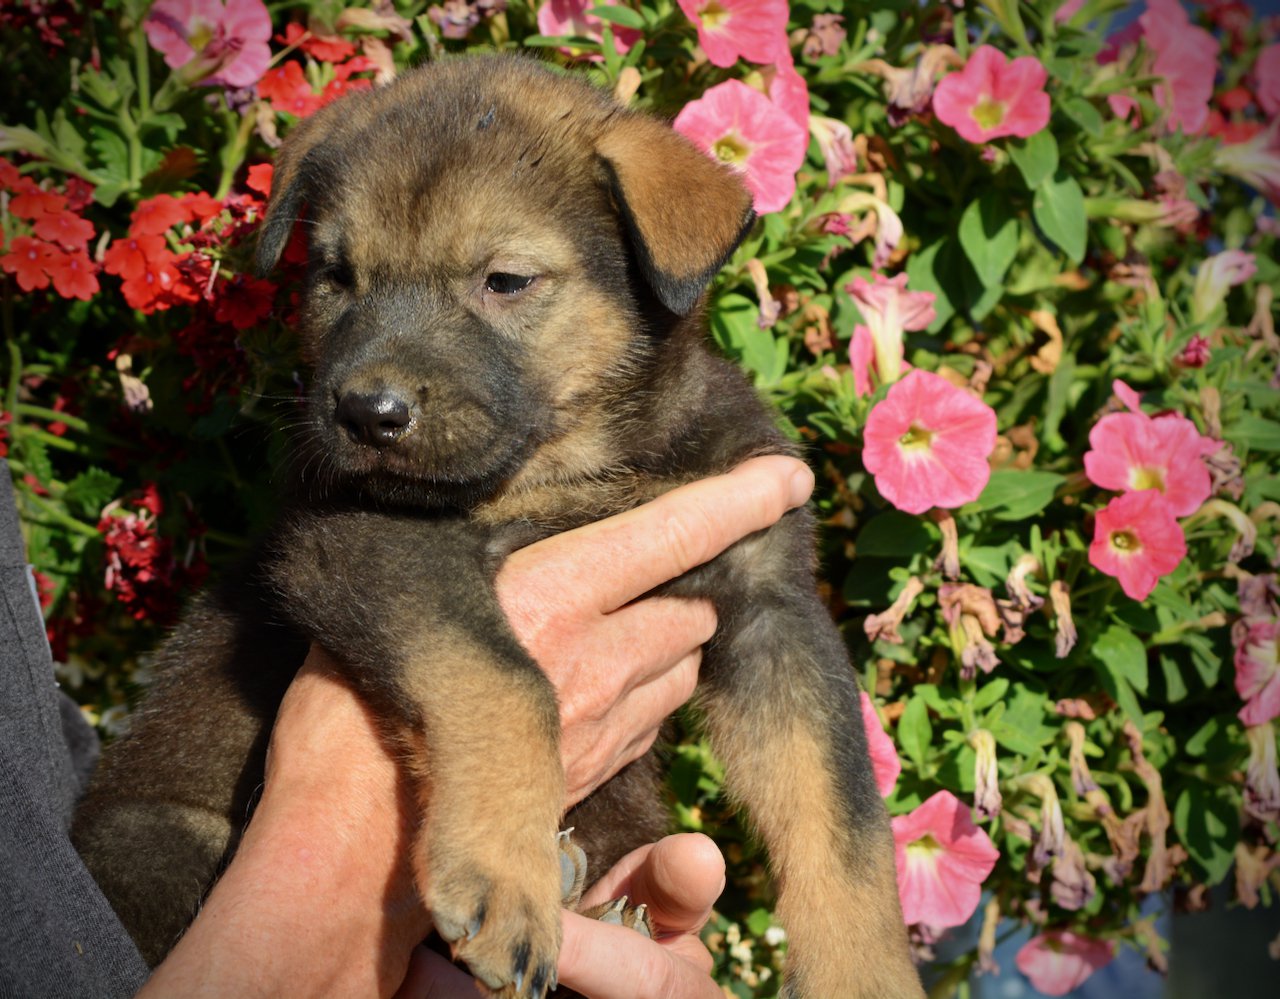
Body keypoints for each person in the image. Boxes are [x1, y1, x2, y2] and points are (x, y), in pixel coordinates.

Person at [0, 455, 815, 998]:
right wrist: (334, 882)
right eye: (339, 277)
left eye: (505, 282)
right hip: (189, 878)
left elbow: (39, 850)